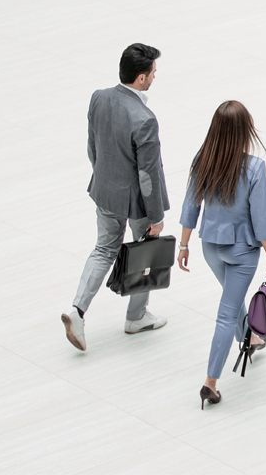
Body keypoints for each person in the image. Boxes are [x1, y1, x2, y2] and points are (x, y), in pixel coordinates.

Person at [62, 43, 170, 351]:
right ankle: (136, 316)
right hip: (137, 203)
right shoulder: (144, 118)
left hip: (104, 191)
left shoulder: (99, 98)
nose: (153, 77)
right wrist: (156, 217)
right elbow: (147, 176)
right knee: (145, 253)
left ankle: (78, 310)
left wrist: (105, 178)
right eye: (152, 73)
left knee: (102, 250)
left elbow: (92, 146)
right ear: (140, 78)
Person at [177, 101, 266, 410]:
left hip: (210, 248)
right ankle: (211, 383)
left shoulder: (202, 159)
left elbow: (190, 206)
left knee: (230, 301)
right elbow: (262, 221)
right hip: (243, 252)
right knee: (226, 312)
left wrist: (183, 245)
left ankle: (252, 338)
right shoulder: (255, 168)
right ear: (245, 130)